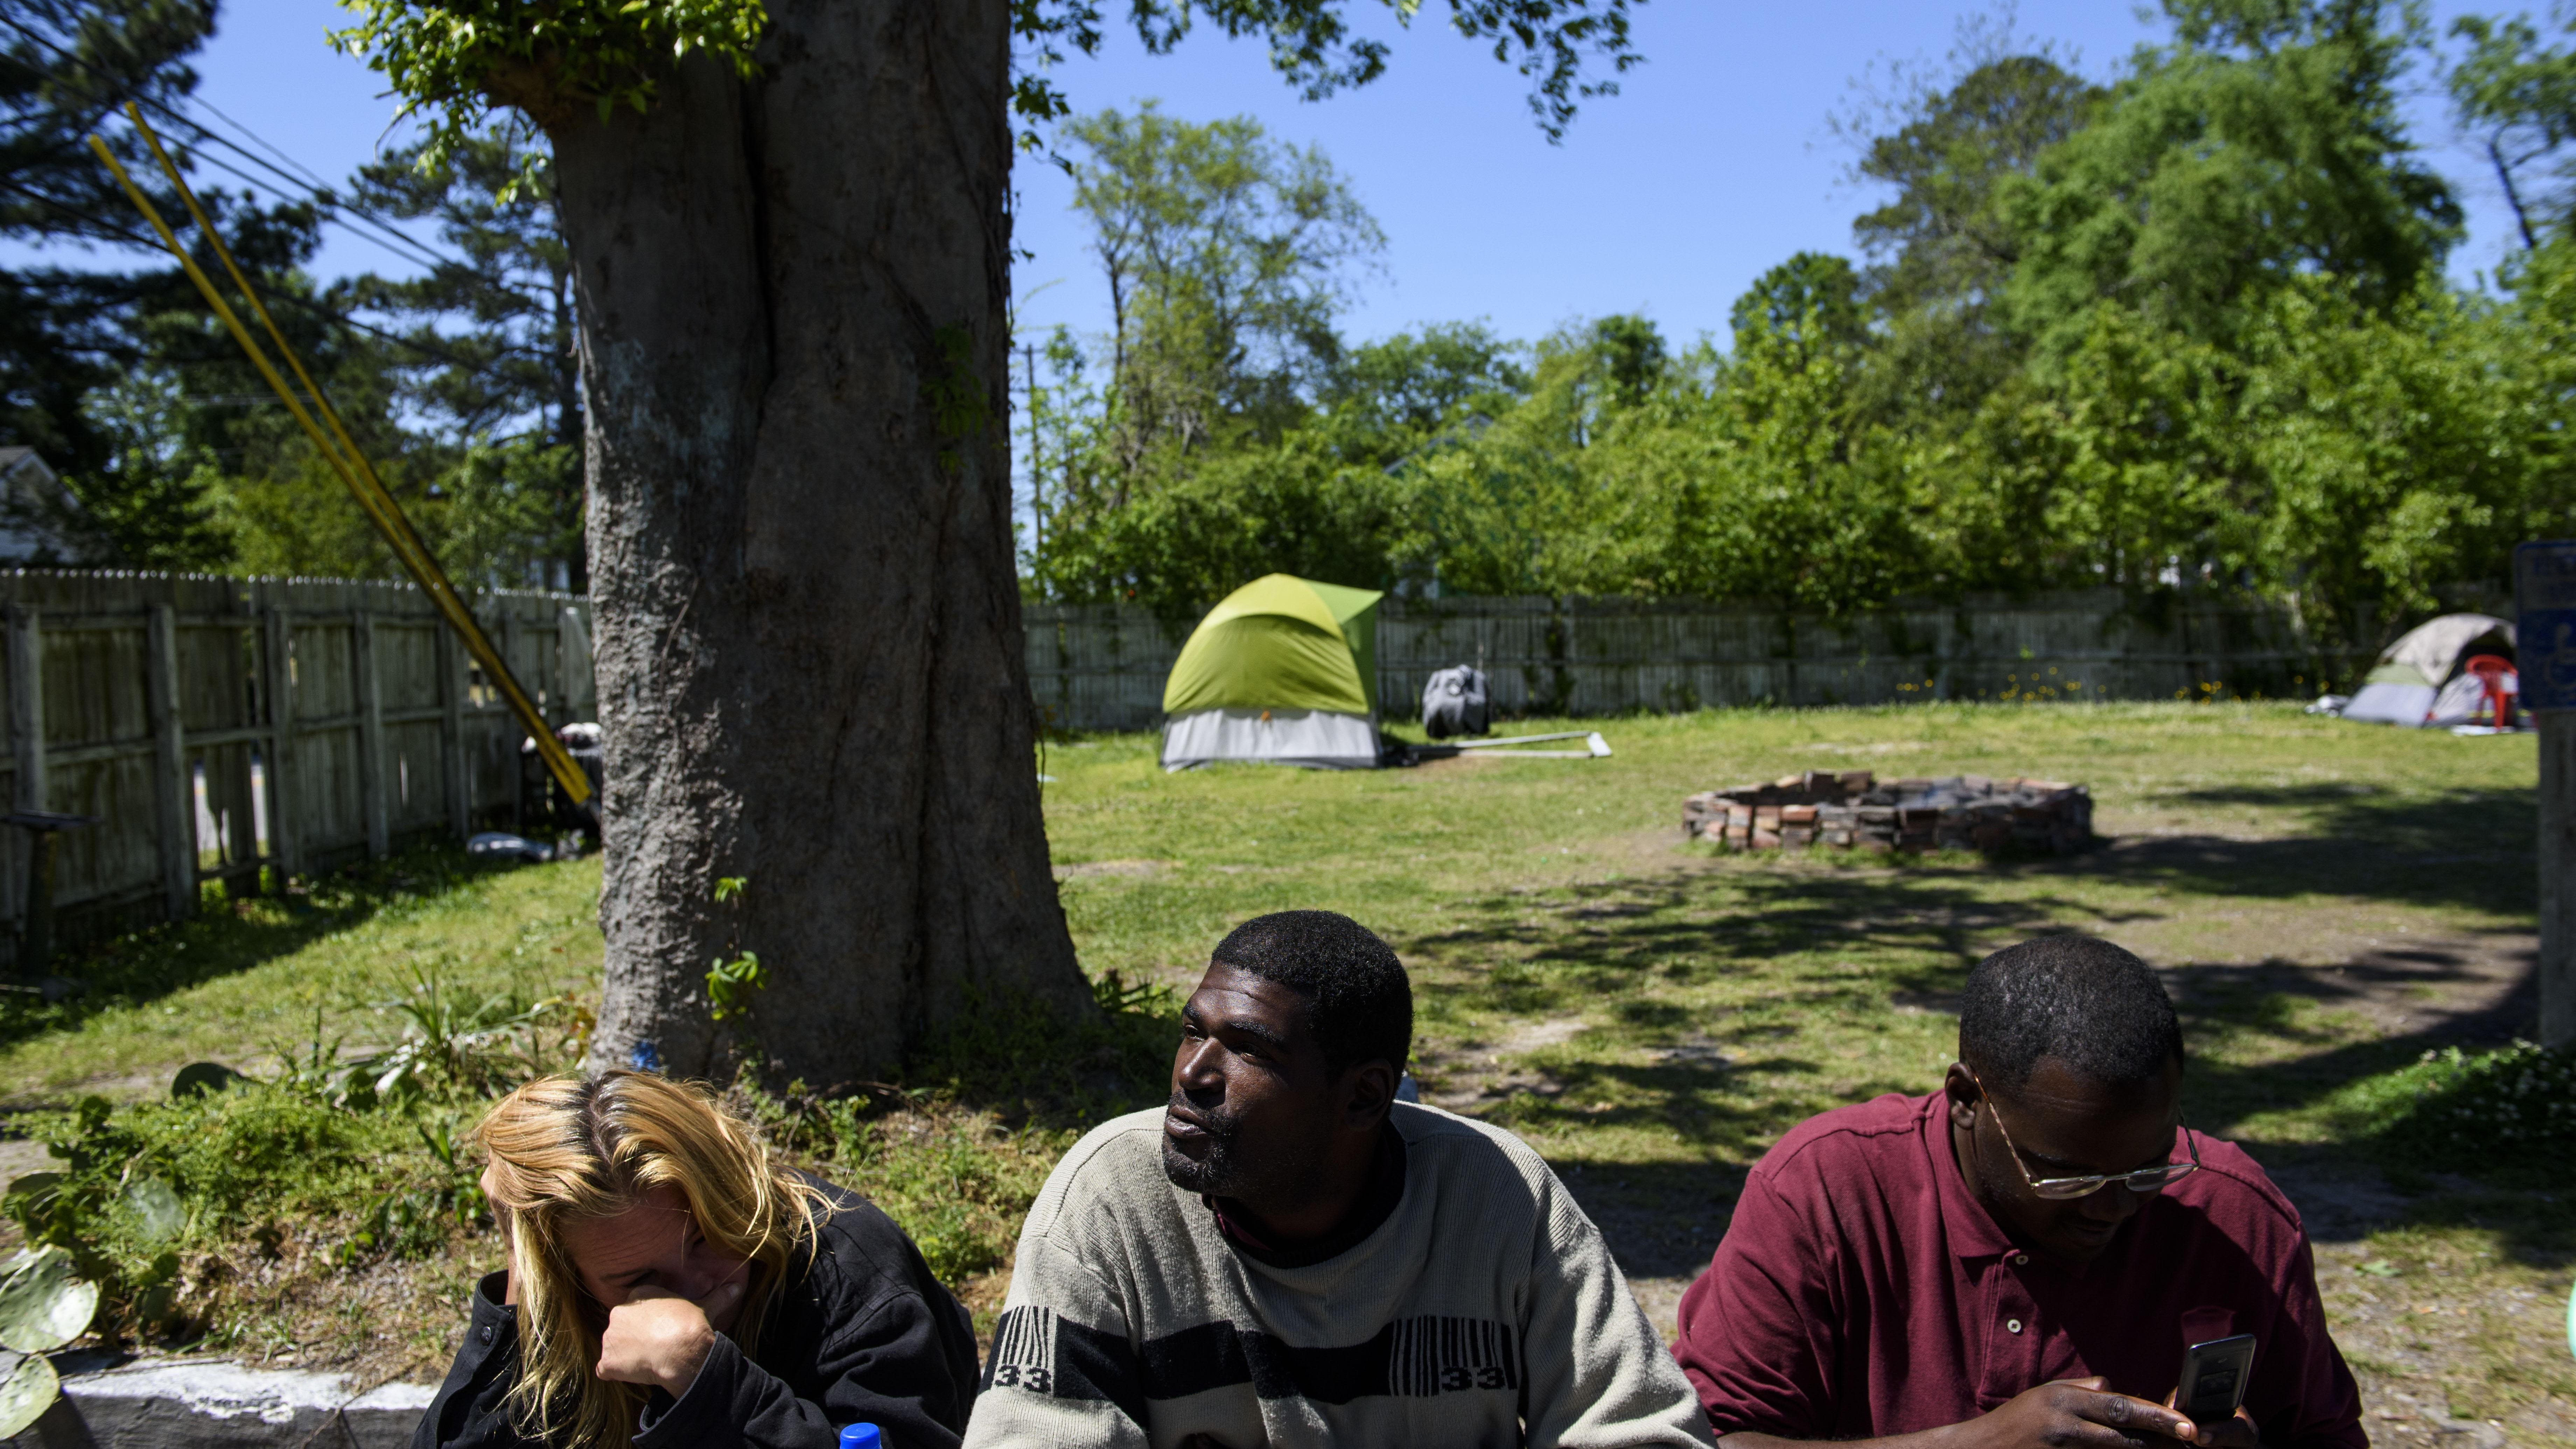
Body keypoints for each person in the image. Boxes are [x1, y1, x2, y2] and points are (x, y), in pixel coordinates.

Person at [963, 909, 1715, 1448]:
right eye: (1193, 1031)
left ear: (1362, 1097)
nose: (1191, 1074)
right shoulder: (1108, 1201)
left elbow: (1643, 1430)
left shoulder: (1496, 1197)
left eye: (1247, 1050)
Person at [1671, 936, 2365, 1449]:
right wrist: (1976, 1444)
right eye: (2064, 1176)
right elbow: (1716, 1442)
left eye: (2148, 1169)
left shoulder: (2234, 1217)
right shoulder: (1826, 1188)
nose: (2112, 1206)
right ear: (1965, 1100)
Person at [413, 1070, 981, 1449]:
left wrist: (704, 1378)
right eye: (640, 1278)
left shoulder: (850, 1270)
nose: (698, 1288)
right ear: (574, 1281)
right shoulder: (569, 1299)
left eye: (708, 1237)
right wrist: (522, 1288)